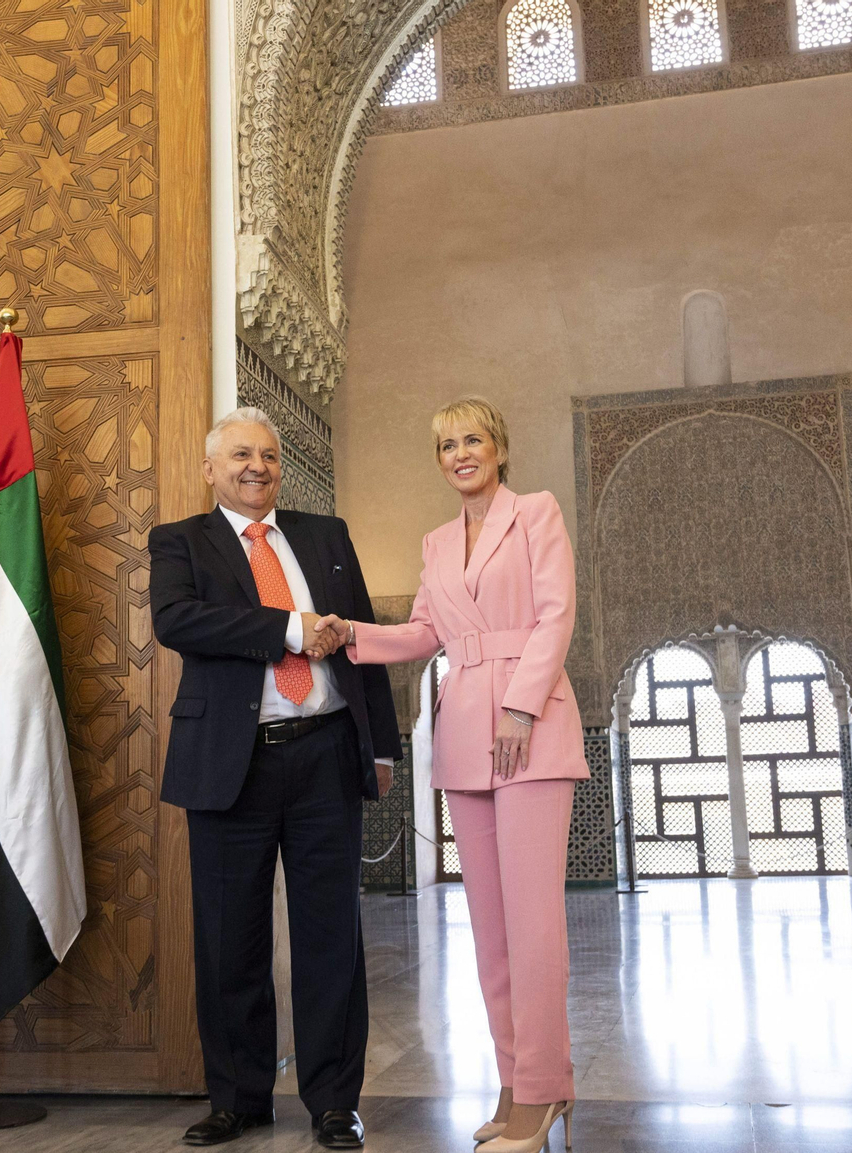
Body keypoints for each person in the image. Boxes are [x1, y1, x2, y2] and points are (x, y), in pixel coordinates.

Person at [316, 397, 587, 1153]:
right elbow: (426, 633)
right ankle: (515, 1081)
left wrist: (522, 707)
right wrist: (350, 635)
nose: (459, 453)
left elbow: (556, 614)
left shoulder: (535, 512)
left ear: (498, 446)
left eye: (471, 439)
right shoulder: (437, 541)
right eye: (445, 445)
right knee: (492, 930)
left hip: (527, 725)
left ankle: (543, 1088)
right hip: (464, 730)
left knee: (535, 926)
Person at [149, 407, 400, 1149]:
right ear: (210, 469)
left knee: (332, 934)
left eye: (267, 455)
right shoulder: (181, 542)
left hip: (325, 752)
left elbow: (364, 644)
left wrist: (380, 746)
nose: (255, 466)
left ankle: (332, 1101)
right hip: (232, 762)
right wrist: (289, 628)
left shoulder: (326, 534)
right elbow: (179, 621)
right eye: (239, 455)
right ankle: (238, 1097)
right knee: (231, 938)